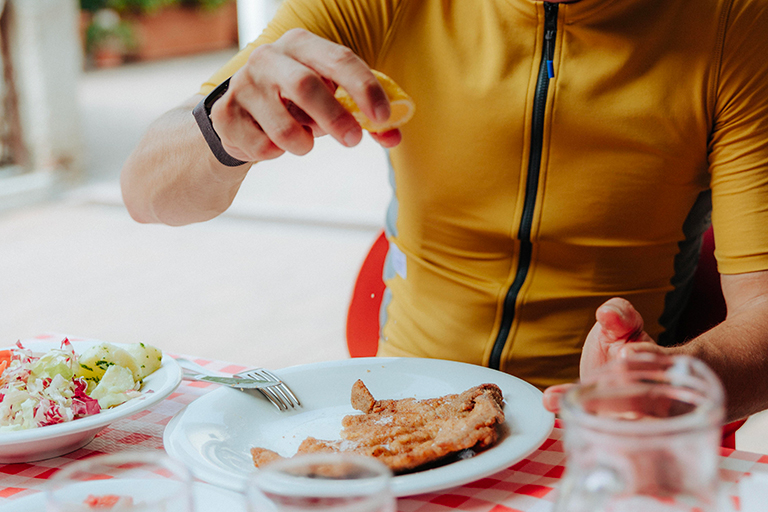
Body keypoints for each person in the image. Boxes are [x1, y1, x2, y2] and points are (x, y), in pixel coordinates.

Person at [120, 0, 768, 423]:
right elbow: (145, 192)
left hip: (599, 428)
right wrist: (222, 130)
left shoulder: (735, 20)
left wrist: (678, 376)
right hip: (400, 406)